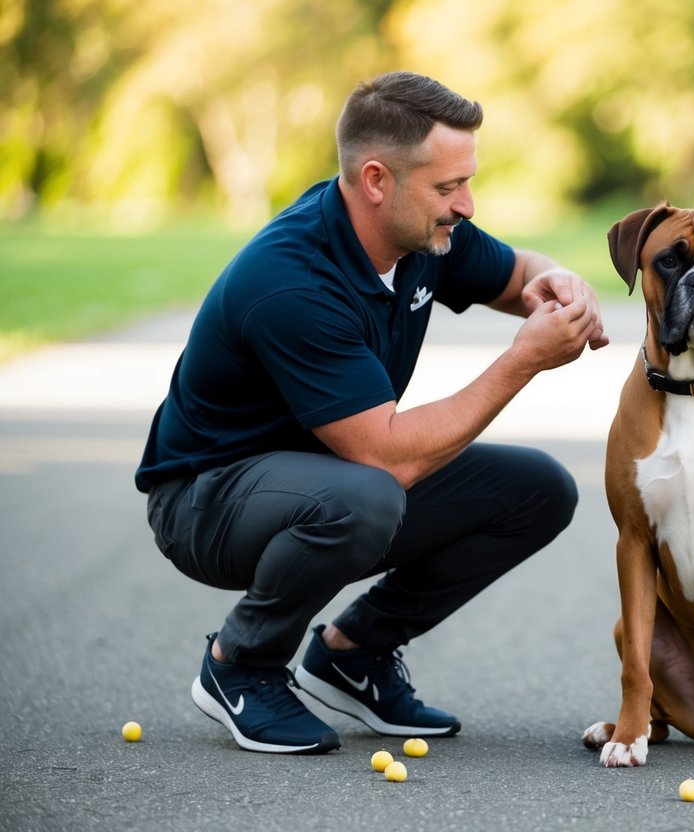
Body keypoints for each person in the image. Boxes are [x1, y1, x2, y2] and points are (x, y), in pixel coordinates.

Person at [135, 70, 608, 754]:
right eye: (449, 187)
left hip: (329, 476)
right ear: (377, 180)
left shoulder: (422, 236)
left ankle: (352, 654)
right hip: (207, 501)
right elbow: (387, 454)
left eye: (467, 182)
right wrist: (523, 360)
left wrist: (553, 279)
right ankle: (240, 665)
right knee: (366, 494)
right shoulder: (291, 280)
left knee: (536, 490)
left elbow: (515, 274)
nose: (467, 205)